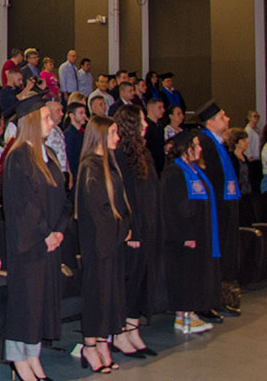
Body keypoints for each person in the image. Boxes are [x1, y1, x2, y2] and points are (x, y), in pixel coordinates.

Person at [1, 96, 68, 381]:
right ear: (30, 121)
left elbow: (62, 197)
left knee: (40, 305)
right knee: (25, 305)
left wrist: (60, 229)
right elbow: (22, 204)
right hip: (28, 246)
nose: (52, 123)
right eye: (46, 118)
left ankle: (33, 357)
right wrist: (45, 232)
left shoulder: (48, 154)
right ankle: (19, 360)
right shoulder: (18, 157)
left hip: (49, 242)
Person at [75, 116, 131, 373]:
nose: (117, 138)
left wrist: (125, 226)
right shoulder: (90, 167)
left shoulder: (109, 164)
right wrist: (120, 230)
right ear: (100, 135)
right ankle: (90, 345)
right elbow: (100, 211)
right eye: (113, 133)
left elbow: (120, 203)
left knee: (111, 293)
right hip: (99, 242)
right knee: (97, 292)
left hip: (113, 240)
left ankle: (102, 341)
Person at [111, 106, 160, 359]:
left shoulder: (144, 153)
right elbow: (122, 197)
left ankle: (133, 329)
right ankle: (120, 333)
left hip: (148, 225)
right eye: (141, 121)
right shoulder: (120, 154)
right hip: (133, 230)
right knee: (128, 282)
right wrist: (131, 229)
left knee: (141, 281)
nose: (146, 125)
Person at [161, 130, 220, 335]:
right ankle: (182, 316)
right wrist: (184, 235)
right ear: (185, 148)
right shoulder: (174, 172)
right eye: (195, 145)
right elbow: (172, 207)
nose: (200, 149)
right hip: (183, 236)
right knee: (183, 275)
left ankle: (191, 312)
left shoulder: (195, 170)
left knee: (194, 274)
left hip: (198, 232)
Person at [196, 100, 241, 318]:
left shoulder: (219, 144)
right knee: (214, 253)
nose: (228, 119)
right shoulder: (205, 143)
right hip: (214, 209)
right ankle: (210, 301)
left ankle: (222, 298)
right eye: (223, 116)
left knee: (225, 252)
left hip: (225, 206)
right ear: (211, 122)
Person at [64, 102, 88, 178]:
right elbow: (70, 158)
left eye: (84, 113)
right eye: (81, 113)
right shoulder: (69, 135)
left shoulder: (82, 132)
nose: (84, 116)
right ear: (72, 115)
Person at [144, 98, 167, 174]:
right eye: (159, 108)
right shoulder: (145, 126)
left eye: (163, 107)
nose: (163, 110)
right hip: (150, 163)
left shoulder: (160, 125)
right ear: (151, 108)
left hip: (160, 163)